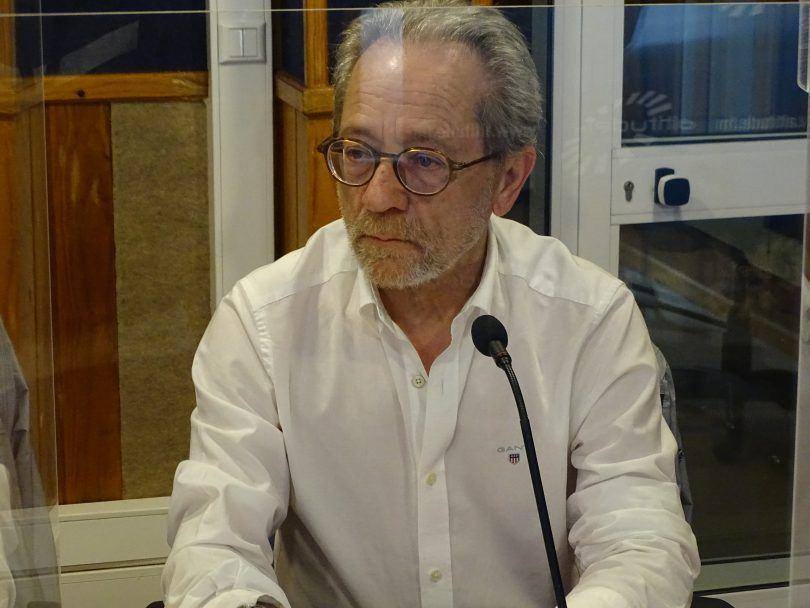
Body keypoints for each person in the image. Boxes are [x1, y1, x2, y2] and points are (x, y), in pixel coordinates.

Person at [163, 1, 700, 606]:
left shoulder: (589, 319)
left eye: (424, 162)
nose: (379, 197)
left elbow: (640, 541)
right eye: (358, 152)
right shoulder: (263, 324)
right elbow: (213, 546)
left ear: (508, 179)